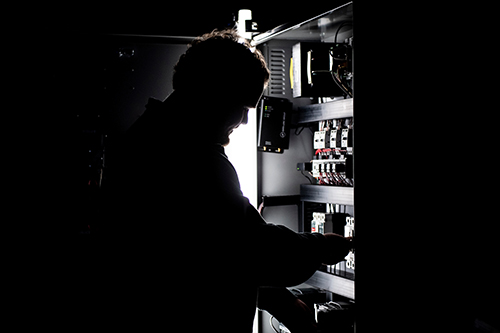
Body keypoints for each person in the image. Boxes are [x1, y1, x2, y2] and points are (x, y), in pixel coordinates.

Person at [99, 29, 353, 332]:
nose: (245, 121)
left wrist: (272, 296)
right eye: (244, 107)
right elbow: (252, 247)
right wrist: (320, 247)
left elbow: (203, 255)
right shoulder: (189, 157)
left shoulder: (148, 139)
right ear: (213, 92)